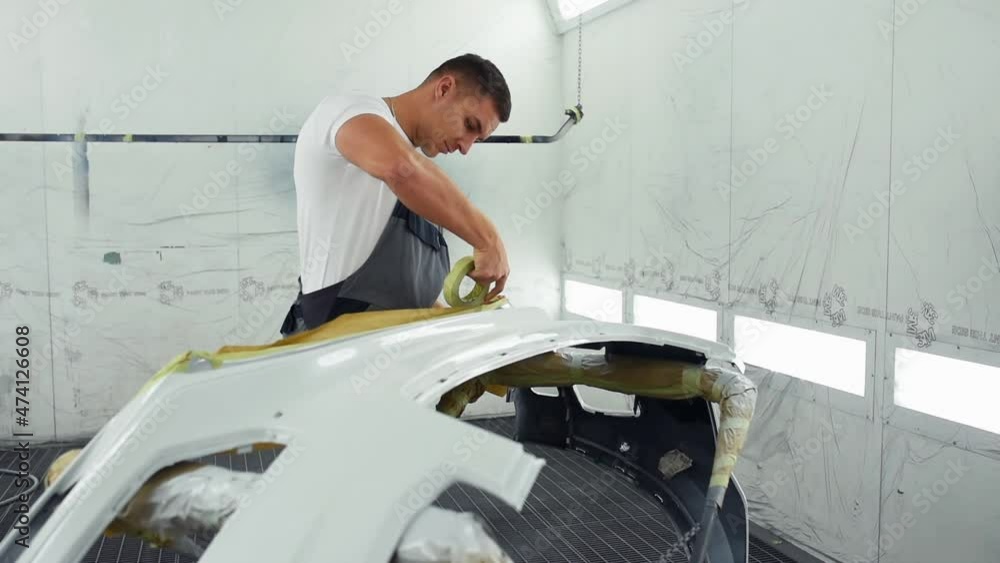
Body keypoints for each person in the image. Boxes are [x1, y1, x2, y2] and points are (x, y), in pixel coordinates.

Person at [280, 53, 512, 336]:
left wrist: (456, 321)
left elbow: (400, 293)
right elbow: (402, 169)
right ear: (444, 88)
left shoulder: (424, 192)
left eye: (478, 139)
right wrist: (488, 239)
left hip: (393, 349)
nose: (466, 147)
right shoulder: (347, 109)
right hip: (330, 344)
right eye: (470, 125)